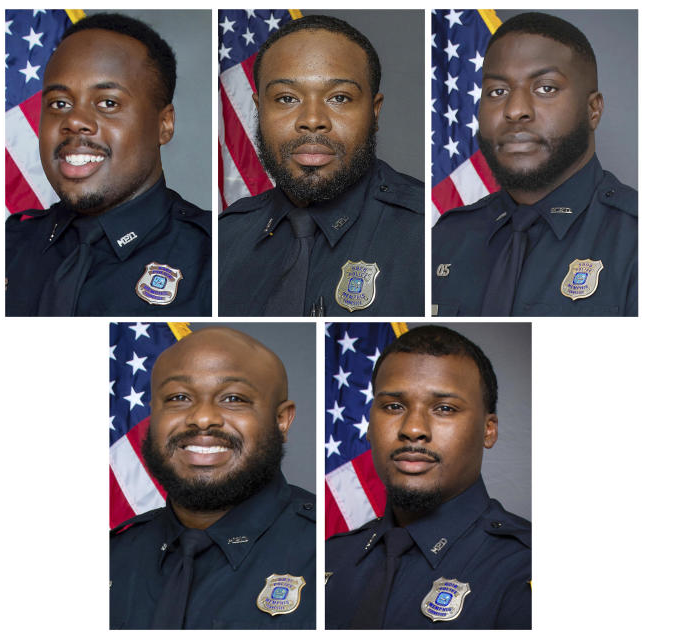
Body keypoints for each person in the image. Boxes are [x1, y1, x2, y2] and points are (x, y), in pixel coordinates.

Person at [325, 325, 530, 629]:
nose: (413, 428)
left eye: (444, 408)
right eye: (393, 406)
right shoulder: (329, 557)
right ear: (369, 425)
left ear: (489, 430)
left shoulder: (526, 568)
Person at [432, 12, 637, 316]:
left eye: (546, 88)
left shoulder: (638, 239)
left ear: (592, 110)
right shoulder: (446, 238)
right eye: (497, 92)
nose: (515, 110)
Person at [6, 13, 211, 316]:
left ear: (164, 125)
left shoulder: (215, 257)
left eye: (108, 103)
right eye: (59, 104)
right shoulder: (8, 245)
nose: (74, 121)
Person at [219, 14, 424, 316]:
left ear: (374, 112)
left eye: (339, 97)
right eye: (286, 98)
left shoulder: (428, 232)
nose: (312, 120)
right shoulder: (224, 238)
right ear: (258, 110)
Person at [110, 327, 315, 629]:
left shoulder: (327, 551)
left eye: (233, 398)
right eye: (179, 397)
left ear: (281, 419)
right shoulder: (113, 554)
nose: (202, 418)